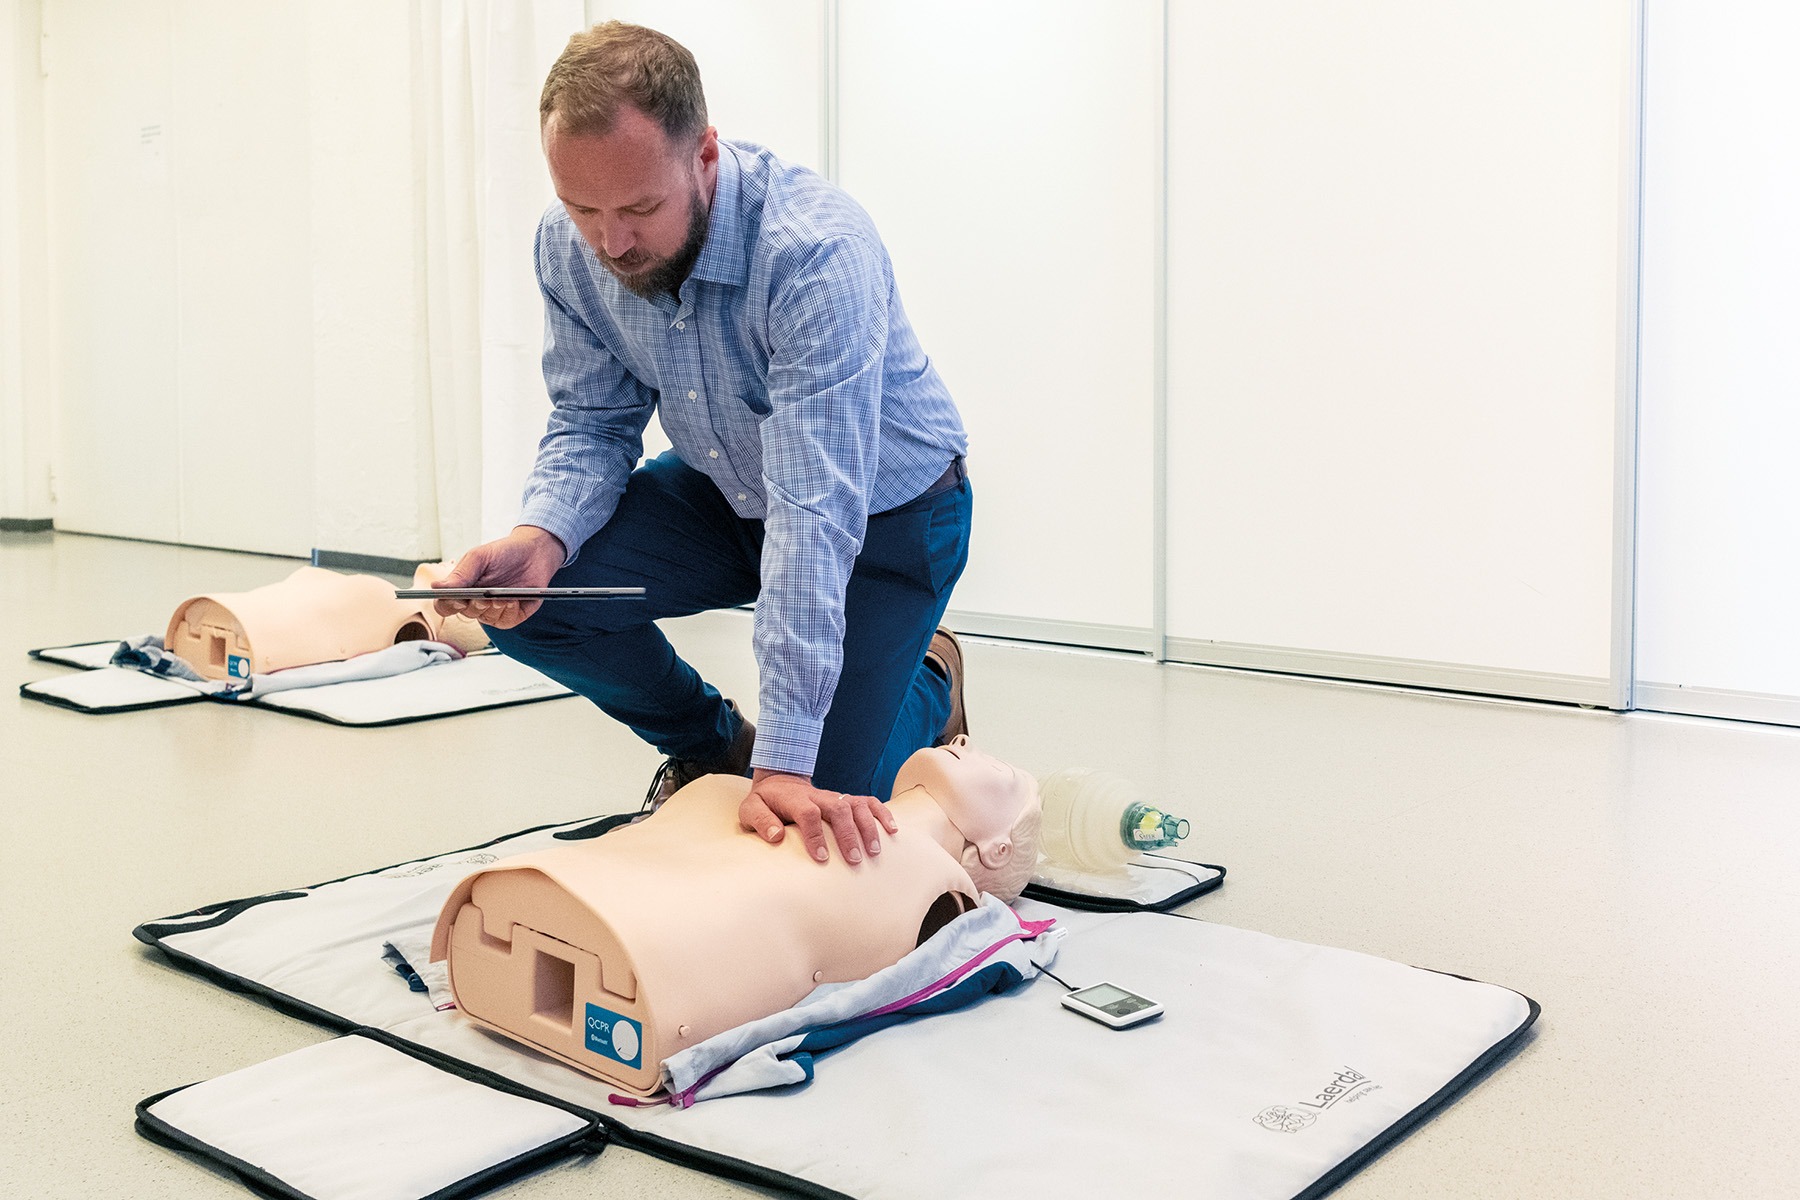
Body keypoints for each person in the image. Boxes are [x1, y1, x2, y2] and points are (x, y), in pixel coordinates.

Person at [434, 21, 973, 864]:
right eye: (585, 209)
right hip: (730, 490)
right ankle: (711, 744)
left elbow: (814, 509)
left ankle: (927, 683)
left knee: (817, 819)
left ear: (706, 155)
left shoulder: (816, 253)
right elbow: (592, 421)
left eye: (641, 208)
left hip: (885, 519)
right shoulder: (567, 246)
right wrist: (541, 539)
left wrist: (789, 762)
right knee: (543, 605)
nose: (611, 242)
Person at [430, 738, 1043, 1096]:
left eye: (1002, 773)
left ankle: (934, 668)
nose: (963, 744)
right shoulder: (839, 817)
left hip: (647, 961)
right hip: (573, 906)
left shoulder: (936, 882)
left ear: (995, 851)